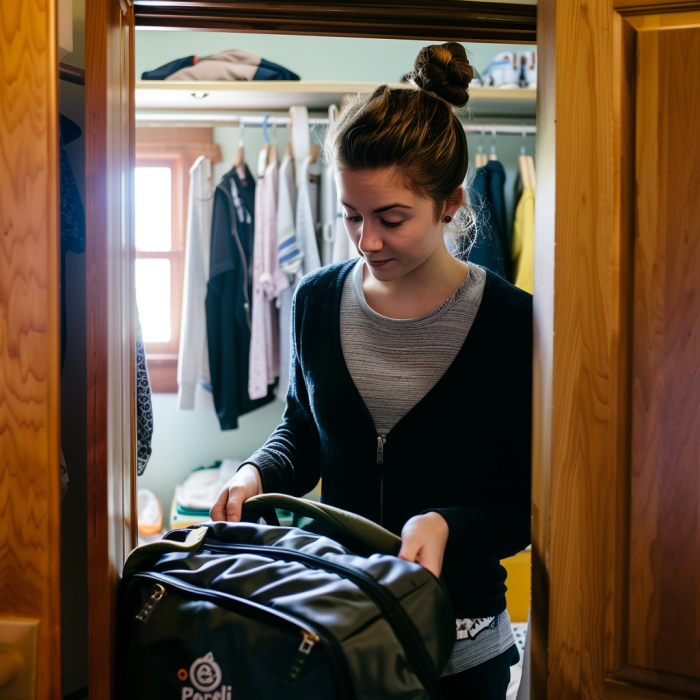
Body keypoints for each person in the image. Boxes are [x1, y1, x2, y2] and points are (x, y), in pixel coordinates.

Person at [211, 42, 532, 700]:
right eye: (351, 216)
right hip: (341, 635)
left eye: (391, 218)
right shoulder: (316, 300)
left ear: (450, 203)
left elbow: (527, 503)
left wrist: (448, 524)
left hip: (462, 653)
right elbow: (303, 431)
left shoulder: (512, 323)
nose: (367, 241)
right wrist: (254, 473)